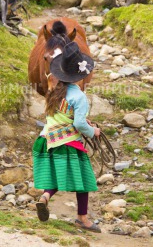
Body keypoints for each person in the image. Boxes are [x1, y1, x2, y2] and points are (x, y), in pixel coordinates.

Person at [32, 42, 101, 232]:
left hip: (46, 139)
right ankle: (83, 218)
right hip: (67, 142)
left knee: (55, 176)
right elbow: (78, 124)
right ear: (81, 75)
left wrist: (83, 124)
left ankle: (45, 197)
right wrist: (92, 132)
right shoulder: (78, 97)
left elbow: (62, 117)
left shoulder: (53, 91)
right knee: (84, 180)